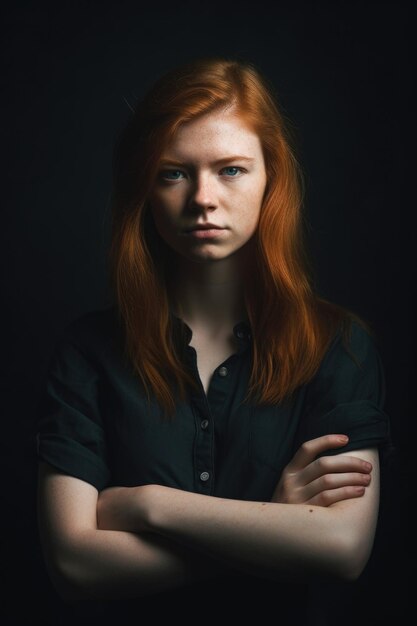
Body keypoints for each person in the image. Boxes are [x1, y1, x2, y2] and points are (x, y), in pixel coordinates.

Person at [35, 56, 390, 620]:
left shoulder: (337, 345)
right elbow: (75, 566)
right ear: (145, 189)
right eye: (173, 172)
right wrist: (271, 523)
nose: (202, 197)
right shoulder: (89, 351)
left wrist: (150, 506)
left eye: (231, 170)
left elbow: (342, 549)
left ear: (271, 176)